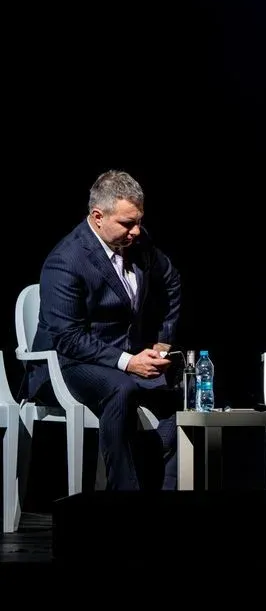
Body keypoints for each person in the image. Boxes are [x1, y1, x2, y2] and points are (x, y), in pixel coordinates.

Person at [26, 170, 182, 491]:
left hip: (123, 358)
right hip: (68, 363)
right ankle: (121, 497)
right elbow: (68, 338)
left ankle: (162, 497)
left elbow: (171, 281)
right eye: (127, 223)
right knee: (120, 389)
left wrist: (163, 342)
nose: (136, 230)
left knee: (180, 398)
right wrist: (128, 362)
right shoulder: (66, 260)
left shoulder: (139, 242)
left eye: (139, 221)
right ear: (98, 217)